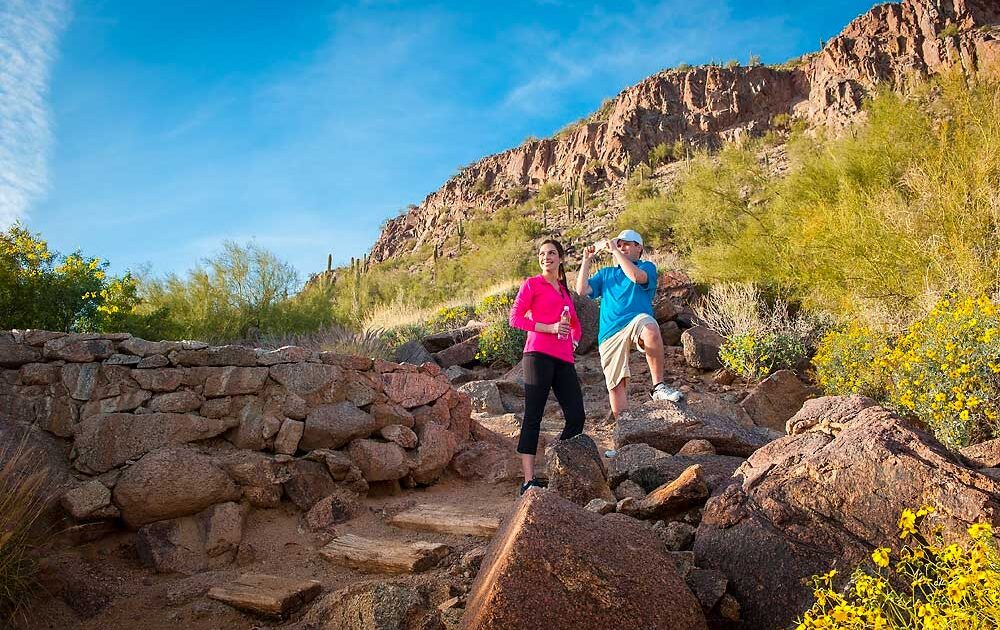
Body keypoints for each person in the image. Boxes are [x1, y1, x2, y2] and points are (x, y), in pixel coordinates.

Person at [576, 228, 683, 421]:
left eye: (626, 244)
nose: (622, 247)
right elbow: (582, 290)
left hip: (636, 320)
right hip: (610, 331)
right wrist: (586, 260)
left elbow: (636, 277)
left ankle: (658, 387)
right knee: (615, 384)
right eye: (619, 244)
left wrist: (615, 251)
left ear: (639, 248)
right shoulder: (606, 273)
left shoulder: (647, 267)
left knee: (650, 327)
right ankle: (623, 432)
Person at [508, 239, 586, 495]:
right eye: (542, 254)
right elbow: (515, 318)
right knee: (534, 415)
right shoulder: (533, 284)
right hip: (537, 354)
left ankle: (556, 463)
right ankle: (528, 481)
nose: (546, 257)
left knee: (576, 416)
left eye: (551, 253)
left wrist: (573, 340)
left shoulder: (564, 291)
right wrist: (549, 328)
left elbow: (575, 325)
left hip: (564, 359)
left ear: (561, 258)